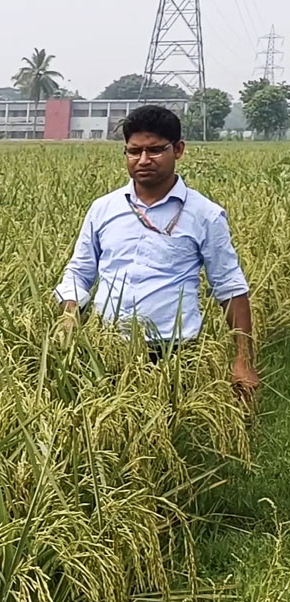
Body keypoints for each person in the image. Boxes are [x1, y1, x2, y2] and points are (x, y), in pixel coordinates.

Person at [55, 105, 258, 397]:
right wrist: (70, 315)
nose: (143, 160)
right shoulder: (104, 209)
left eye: (155, 150)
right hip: (106, 348)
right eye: (134, 151)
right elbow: (79, 271)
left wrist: (243, 360)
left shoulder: (205, 214)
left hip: (173, 354)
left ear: (178, 149)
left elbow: (229, 286)